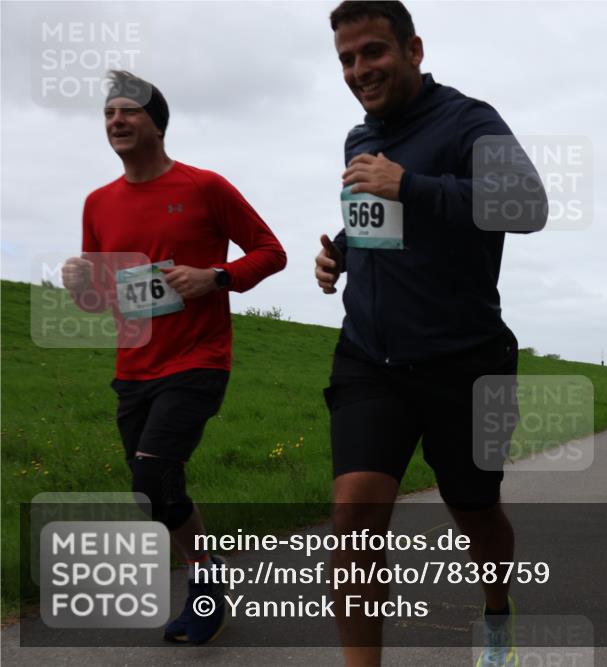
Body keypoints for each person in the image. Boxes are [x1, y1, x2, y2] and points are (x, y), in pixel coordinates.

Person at [314, 3, 546, 666]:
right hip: (371, 358)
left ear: (413, 48)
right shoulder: (359, 140)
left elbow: (528, 206)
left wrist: (411, 183)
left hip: (466, 360)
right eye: (347, 59)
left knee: (474, 509)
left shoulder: (469, 120)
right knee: (354, 517)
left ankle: (497, 608)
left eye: (372, 52)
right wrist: (342, 256)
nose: (359, 70)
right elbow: (378, 229)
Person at [61, 70, 287, 644]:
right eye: (109, 113)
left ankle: (203, 589)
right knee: (153, 492)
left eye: (128, 111)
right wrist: (78, 284)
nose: (116, 121)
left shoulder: (206, 187)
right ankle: (209, 577)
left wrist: (215, 277)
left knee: (154, 471)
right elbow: (98, 299)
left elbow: (271, 252)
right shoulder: (98, 202)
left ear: (156, 122)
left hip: (198, 359)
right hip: (133, 367)